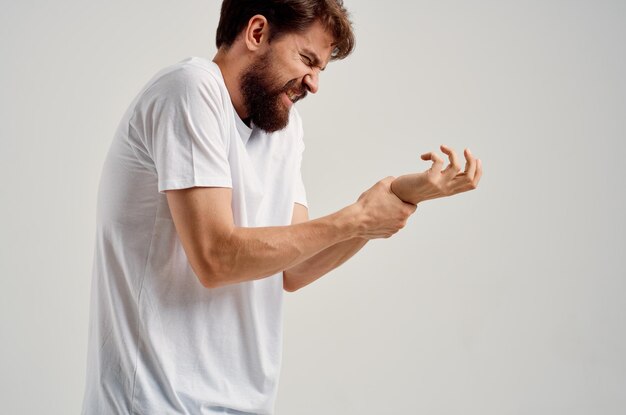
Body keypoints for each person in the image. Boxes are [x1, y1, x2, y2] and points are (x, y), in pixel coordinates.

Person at [81, 0, 482, 414]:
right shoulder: (190, 89)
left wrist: (394, 198)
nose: (313, 84)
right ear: (257, 33)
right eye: (307, 60)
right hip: (152, 404)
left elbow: (294, 267)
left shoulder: (282, 129)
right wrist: (357, 216)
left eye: (320, 70)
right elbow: (215, 257)